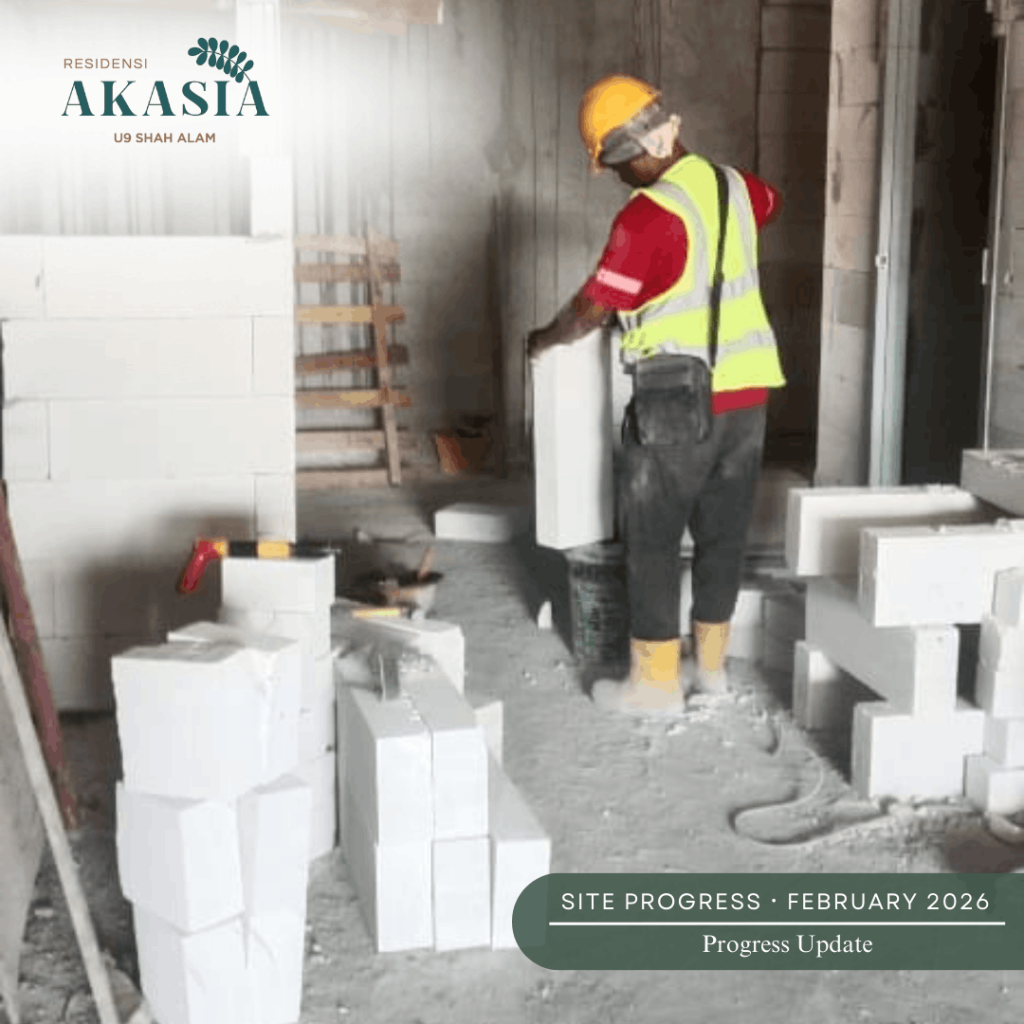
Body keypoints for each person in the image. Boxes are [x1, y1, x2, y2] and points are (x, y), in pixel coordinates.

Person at [527, 73, 786, 716]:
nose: (619, 179)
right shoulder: (737, 186)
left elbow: (593, 309)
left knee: (652, 540)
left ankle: (654, 685)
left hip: (677, 398)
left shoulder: (646, 217)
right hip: (748, 393)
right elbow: (769, 205)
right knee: (723, 536)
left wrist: (544, 339)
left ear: (632, 152)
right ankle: (712, 670)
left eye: (615, 166)